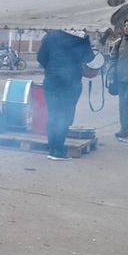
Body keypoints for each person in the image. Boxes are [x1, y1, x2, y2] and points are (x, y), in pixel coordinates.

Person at [37, 29, 96, 161]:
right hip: (71, 82)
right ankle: (58, 150)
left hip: (51, 80)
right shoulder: (82, 39)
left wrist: (52, 69)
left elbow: (40, 56)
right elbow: (89, 58)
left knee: (53, 114)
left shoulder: (51, 35)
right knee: (64, 115)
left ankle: (52, 147)